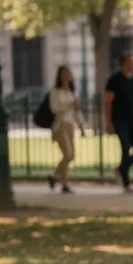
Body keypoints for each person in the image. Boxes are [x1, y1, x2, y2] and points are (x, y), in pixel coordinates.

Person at [103, 52, 133, 195]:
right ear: (123, 64)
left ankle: (121, 169)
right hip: (120, 119)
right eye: (130, 63)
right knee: (125, 148)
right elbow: (107, 102)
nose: (132, 65)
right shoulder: (115, 80)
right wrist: (108, 122)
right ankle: (126, 183)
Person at [46, 65, 86, 194]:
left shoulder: (72, 92)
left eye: (68, 74)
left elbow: (76, 111)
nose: (66, 77)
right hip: (60, 124)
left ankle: (56, 177)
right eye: (64, 74)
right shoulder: (55, 91)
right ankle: (64, 182)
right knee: (67, 154)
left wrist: (81, 126)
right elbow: (54, 108)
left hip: (70, 125)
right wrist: (69, 104)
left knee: (71, 155)